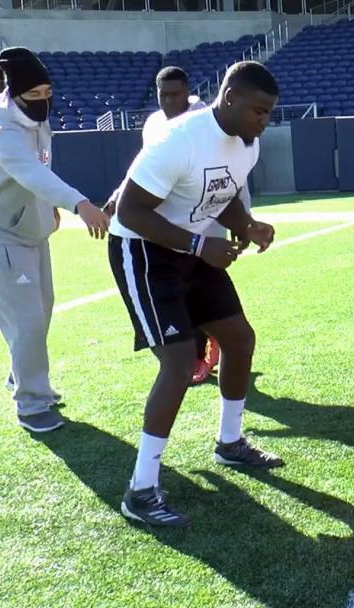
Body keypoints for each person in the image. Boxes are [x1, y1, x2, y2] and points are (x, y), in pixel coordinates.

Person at [109, 61, 282, 528]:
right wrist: (198, 244)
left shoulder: (247, 143)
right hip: (143, 250)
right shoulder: (177, 139)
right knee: (180, 362)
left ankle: (230, 444)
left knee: (239, 340)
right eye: (259, 112)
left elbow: (221, 192)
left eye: (269, 113)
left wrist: (246, 224)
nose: (264, 121)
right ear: (229, 99)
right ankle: (141, 490)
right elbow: (129, 210)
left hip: (193, 248)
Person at [0, 47, 110, 433]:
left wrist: (46, 209)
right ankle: (32, 405)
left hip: (32, 229)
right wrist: (79, 204)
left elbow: (43, 166)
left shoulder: (35, 116)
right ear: (15, 93)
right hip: (2, 233)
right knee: (27, 319)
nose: (43, 103)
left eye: (48, 94)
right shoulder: (2, 131)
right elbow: (31, 173)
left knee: (42, 309)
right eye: (34, 96)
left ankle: (21, 377)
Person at [104, 65, 252, 385]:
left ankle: (208, 347)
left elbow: (230, 184)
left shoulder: (207, 120)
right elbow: (143, 168)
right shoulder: (155, 124)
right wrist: (120, 193)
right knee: (181, 315)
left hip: (206, 220)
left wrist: (246, 222)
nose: (169, 101)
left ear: (188, 92)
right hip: (167, 225)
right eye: (163, 95)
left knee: (209, 300)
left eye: (176, 94)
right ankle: (197, 353)